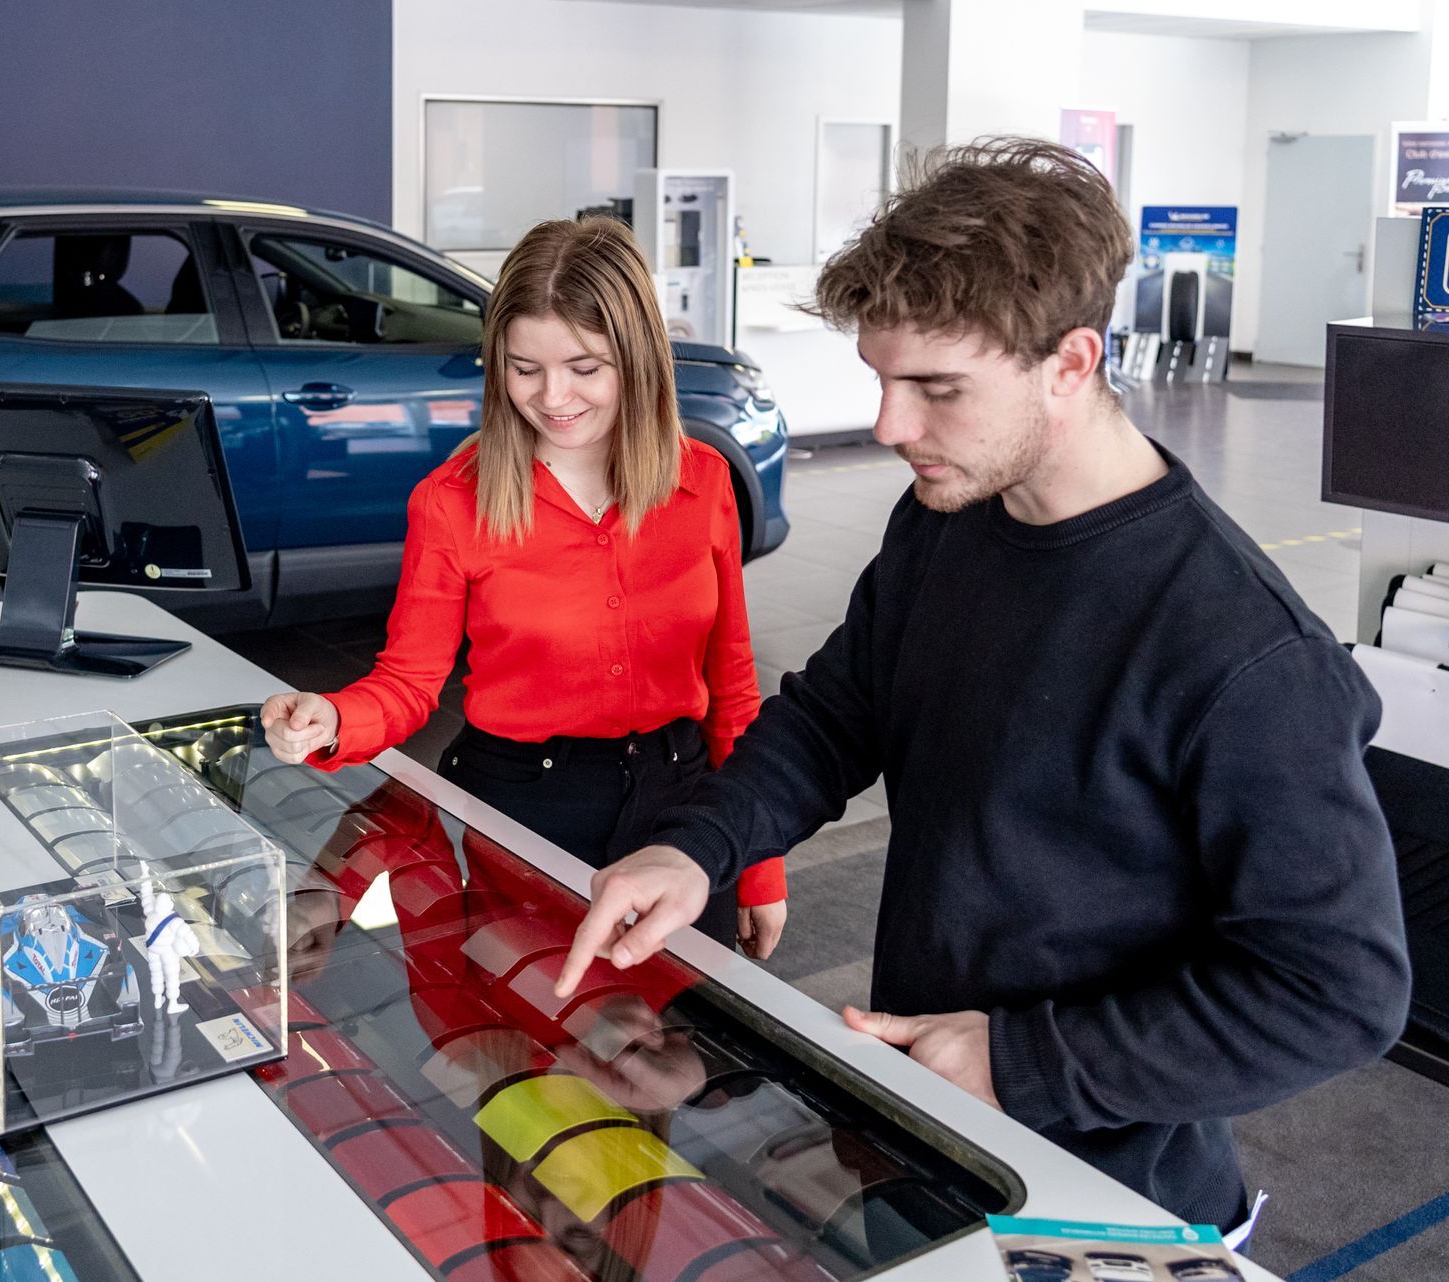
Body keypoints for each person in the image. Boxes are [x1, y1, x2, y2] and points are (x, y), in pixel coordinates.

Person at [553, 138, 1411, 1236]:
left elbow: (1336, 990)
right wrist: (699, 842)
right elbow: (836, 714)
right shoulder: (943, 526)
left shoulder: (1245, 654)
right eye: (881, 379)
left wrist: (1022, 1061)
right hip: (924, 1133)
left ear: (1071, 361)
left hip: (1109, 1204)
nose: (889, 426)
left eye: (936, 388)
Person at [259, 216, 786, 957]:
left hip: (685, 813)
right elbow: (409, 683)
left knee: (686, 1055)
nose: (552, 396)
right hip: (525, 811)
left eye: (584, 367)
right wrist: (331, 717)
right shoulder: (452, 501)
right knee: (544, 1050)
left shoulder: (701, 479)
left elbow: (731, 685)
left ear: (636, 358)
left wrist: (758, 866)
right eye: (524, 368)